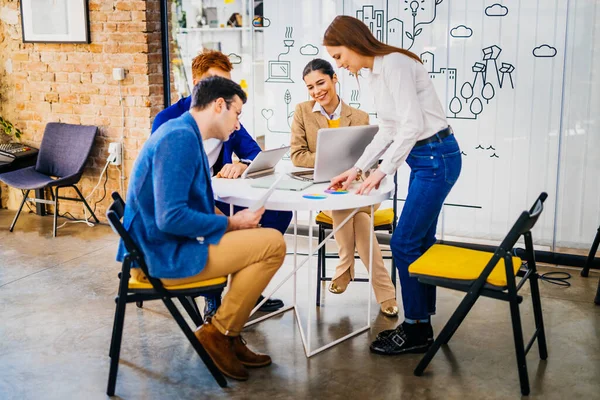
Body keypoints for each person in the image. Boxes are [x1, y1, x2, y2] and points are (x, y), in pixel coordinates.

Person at [117, 76, 286, 381]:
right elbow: (171, 217)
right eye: (237, 114)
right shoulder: (179, 138)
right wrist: (233, 222)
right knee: (273, 244)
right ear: (219, 105)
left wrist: (237, 225)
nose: (237, 125)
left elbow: (195, 204)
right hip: (161, 258)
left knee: (261, 240)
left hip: (160, 249)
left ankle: (228, 333)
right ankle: (219, 332)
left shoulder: (184, 133)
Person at [323, 16, 462, 355]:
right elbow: (388, 128)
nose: (339, 66)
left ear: (354, 43)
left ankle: (415, 329)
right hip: (424, 159)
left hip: (436, 157)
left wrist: (381, 172)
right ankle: (421, 324)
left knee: (403, 242)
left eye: (339, 57)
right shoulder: (373, 73)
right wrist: (356, 168)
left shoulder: (396, 64)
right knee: (420, 241)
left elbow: (412, 125)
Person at [153, 49, 292, 315]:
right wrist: (231, 224)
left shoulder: (223, 118)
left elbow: (254, 153)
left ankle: (245, 288)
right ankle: (215, 300)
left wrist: (241, 164)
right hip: (175, 237)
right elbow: (173, 209)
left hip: (211, 199)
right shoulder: (172, 126)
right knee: (262, 241)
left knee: (276, 212)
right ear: (197, 86)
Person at [290, 58, 399, 317]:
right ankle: (385, 293)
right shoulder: (303, 111)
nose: (317, 91)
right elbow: (297, 155)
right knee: (357, 218)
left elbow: (371, 160)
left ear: (334, 79)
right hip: (329, 189)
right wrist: (330, 160)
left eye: (321, 82)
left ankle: (344, 266)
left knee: (349, 205)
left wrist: (356, 168)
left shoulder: (359, 117)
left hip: (360, 188)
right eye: (310, 87)